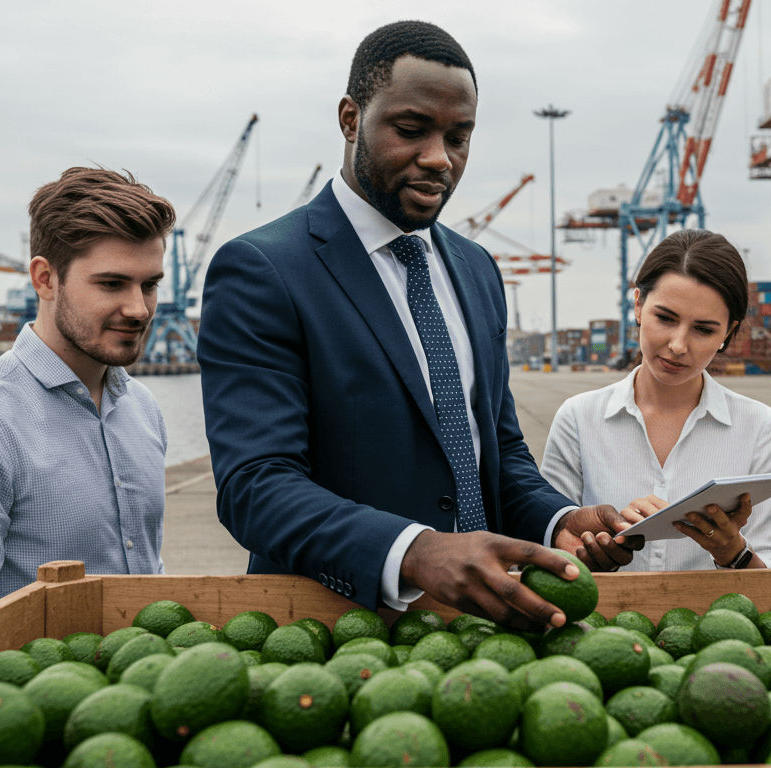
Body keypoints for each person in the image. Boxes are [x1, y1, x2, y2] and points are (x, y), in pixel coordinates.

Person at [197, 21, 635, 630]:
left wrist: (559, 523)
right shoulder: (263, 270)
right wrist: (413, 551)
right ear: (351, 119)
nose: (439, 159)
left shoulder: (478, 269)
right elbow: (255, 486)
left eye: (459, 137)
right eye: (411, 130)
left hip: (485, 630)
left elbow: (497, 452)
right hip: (328, 639)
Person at [0, 167, 175, 638]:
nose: (138, 309)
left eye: (149, 285)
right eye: (112, 284)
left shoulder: (142, 408)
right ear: (45, 278)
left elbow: (146, 571)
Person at [542, 230, 771, 571]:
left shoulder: (757, 424)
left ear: (728, 334)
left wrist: (734, 552)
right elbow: (548, 550)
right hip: (603, 624)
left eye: (703, 330)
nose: (678, 344)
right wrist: (592, 549)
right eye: (665, 318)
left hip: (717, 624)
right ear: (638, 306)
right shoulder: (578, 417)